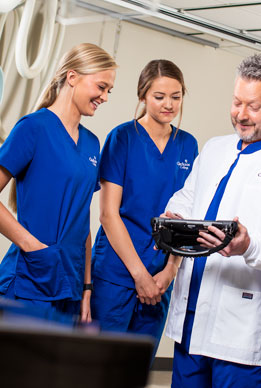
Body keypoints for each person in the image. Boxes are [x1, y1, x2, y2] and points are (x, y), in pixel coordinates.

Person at [161, 53, 261, 388]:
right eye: (237, 102)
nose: (241, 114)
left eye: (253, 106)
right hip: (191, 318)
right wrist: (173, 218)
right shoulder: (215, 148)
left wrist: (249, 245)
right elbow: (188, 198)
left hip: (243, 330)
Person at [0, 43, 117, 323]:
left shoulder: (91, 143)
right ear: (72, 77)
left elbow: (81, 219)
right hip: (30, 281)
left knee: (53, 368)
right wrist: (33, 246)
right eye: (101, 87)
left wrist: (87, 287)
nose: (105, 97)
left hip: (71, 288)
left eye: (109, 90)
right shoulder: (33, 128)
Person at [90, 59, 198, 356]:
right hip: (118, 272)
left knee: (136, 368)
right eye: (159, 97)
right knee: (101, 367)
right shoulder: (122, 138)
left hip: (161, 275)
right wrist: (139, 276)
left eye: (176, 97)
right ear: (143, 96)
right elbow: (108, 214)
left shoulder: (187, 145)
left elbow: (185, 219)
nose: (169, 105)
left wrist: (170, 272)